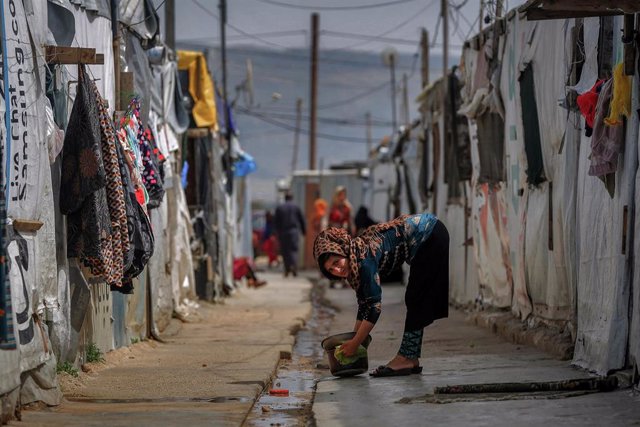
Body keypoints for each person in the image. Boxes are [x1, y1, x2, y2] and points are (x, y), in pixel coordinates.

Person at [313, 212, 449, 377]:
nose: (337, 270)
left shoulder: (363, 259)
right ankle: (410, 358)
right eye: (331, 270)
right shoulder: (355, 263)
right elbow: (364, 304)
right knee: (415, 298)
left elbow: (374, 307)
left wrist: (355, 344)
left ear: (344, 250)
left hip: (430, 234)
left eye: (336, 262)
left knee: (416, 298)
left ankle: (406, 358)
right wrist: (354, 341)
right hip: (429, 236)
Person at [274, 192, 306, 277]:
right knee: (294, 250)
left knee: (285, 251)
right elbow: (301, 220)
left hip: (283, 232)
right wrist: (304, 231)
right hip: (294, 231)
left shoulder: (280, 208)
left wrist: (276, 234)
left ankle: (287, 269)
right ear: (292, 198)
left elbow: (276, 222)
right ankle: (294, 267)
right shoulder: (296, 207)